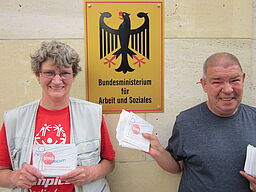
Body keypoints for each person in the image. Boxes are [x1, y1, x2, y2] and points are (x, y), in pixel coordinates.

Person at [0, 40, 115, 192]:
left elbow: (109, 162)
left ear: (73, 76)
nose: (56, 80)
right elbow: (2, 171)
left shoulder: (92, 114)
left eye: (65, 73)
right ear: (37, 75)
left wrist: (92, 172)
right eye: (49, 72)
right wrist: (15, 178)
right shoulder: (15, 119)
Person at [143, 52, 256, 192]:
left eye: (234, 80)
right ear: (204, 84)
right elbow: (176, 166)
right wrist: (158, 152)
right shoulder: (186, 121)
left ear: (243, 79)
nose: (227, 89)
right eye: (217, 82)